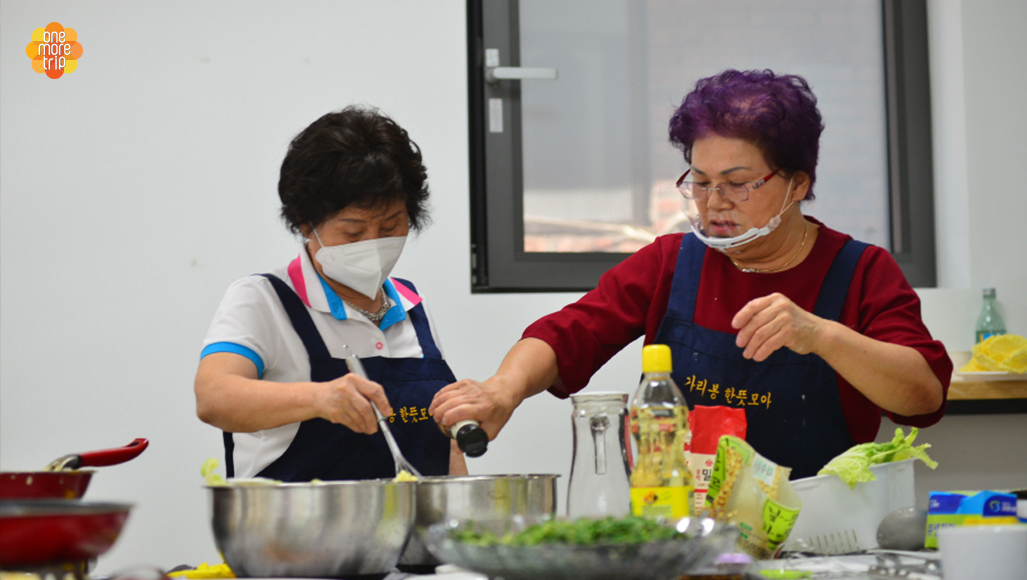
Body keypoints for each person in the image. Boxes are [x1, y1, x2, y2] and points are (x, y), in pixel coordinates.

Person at [431, 69, 951, 479]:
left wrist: (821, 335)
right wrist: (503, 389)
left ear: (797, 184)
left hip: (815, 534)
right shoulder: (673, 262)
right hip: (677, 525)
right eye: (699, 182)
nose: (714, 202)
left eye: (737, 182)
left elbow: (923, 396)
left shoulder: (860, 270)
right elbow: (570, 332)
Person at [195, 106, 466, 480]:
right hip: (297, 534)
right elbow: (214, 397)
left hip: (421, 534)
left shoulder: (411, 304)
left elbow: (443, 442)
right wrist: (317, 399)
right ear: (306, 224)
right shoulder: (264, 299)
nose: (373, 243)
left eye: (391, 225)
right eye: (353, 232)